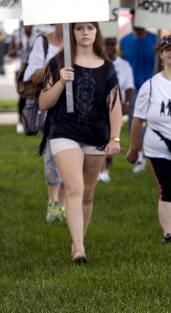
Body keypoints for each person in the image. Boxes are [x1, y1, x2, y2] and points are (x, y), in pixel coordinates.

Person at [38, 22, 122, 264]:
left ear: (97, 32)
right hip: (63, 131)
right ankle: (78, 248)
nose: (85, 32)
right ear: (71, 32)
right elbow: (44, 103)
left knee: (87, 193)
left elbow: (114, 105)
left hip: (96, 134)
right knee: (74, 188)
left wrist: (114, 138)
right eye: (79, 28)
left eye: (90, 28)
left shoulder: (107, 68)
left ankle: (79, 239)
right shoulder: (58, 63)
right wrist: (61, 81)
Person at [125, 34, 171, 244]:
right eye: (168, 49)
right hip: (159, 146)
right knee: (169, 188)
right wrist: (134, 148)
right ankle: (169, 234)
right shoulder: (151, 85)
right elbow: (137, 119)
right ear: (161, 54)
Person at [23, 24, 66, 222]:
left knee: (73, 156)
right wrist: (58, 62)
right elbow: (32, 76)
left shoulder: (81, 41)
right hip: (49, 109)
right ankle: (53, 203)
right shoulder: (43, 42)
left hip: (76, 111)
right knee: (52, 153)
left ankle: (65, 204)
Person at [119, 9, 157, 173]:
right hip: (133, 89)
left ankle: (147, 152)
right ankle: (139, 154)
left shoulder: (156, 40)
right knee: (136, 123)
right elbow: (122, 65)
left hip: (153, 88)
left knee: (151, 122)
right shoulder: (125, 41)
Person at [98, 37, 135, 183]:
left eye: (112, 44)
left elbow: (129, 87)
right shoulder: (95, 63)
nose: (109, 47)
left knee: (113, 139)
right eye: (105, 43)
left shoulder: (124, 65)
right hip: (97, 108)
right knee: (99, 140)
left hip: (115, 108)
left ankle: (106, 166)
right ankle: (100, 170)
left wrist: (126, 103)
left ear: (116, 46)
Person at [8, 23, 36, 134]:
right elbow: (10, 53)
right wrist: (16, 48)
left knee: (34, 96)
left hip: (33, 70)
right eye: (26, 25)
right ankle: (20, 122)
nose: (29, 27)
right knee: (22, 96)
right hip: (20, 70)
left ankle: (32, 122)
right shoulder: (17, 35)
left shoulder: (37, 35)